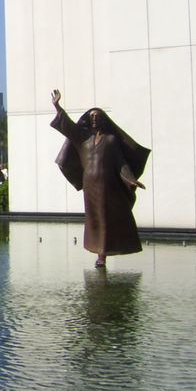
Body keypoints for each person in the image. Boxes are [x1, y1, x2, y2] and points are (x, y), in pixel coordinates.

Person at [51, 89, 150, 268]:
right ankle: (99, 251)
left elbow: (121, 164)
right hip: (90, 186)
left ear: (103, 120)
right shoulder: (83, 138)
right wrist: (57, 106)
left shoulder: (111, 140)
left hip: (107, 185)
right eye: (92, 116)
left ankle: (102, 255)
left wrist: (131, 179)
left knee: (106, 218)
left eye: (98, 116)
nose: (95, 119)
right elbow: (68, 126)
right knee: (94, 219)